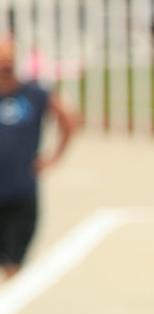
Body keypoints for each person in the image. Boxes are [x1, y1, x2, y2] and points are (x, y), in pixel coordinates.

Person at [0, 36, 75, 281]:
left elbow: (69, 120)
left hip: (21, 191)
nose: (5, 67)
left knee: (15, 262)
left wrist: (55, 157)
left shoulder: (34, 94)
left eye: (9, 61)